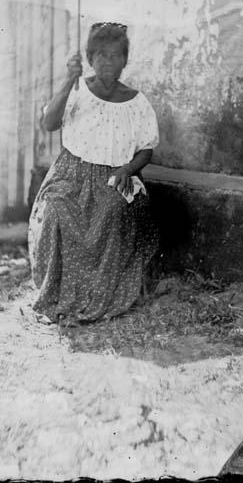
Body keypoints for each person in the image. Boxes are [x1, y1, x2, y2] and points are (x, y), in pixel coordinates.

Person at [28, 22, 159, 324]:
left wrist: (128, 168)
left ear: (125, 60)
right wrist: (67, 80)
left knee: (114, 212)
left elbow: (147, 149)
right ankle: (58, 290)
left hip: (115, 176)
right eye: (100, 55)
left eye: (114, 55)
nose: (107, 62)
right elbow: (48, 124)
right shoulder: (76, 91)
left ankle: (102, 293)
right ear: (89, 58)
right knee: (56, 211)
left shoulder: (137, 103)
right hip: (71, 175)